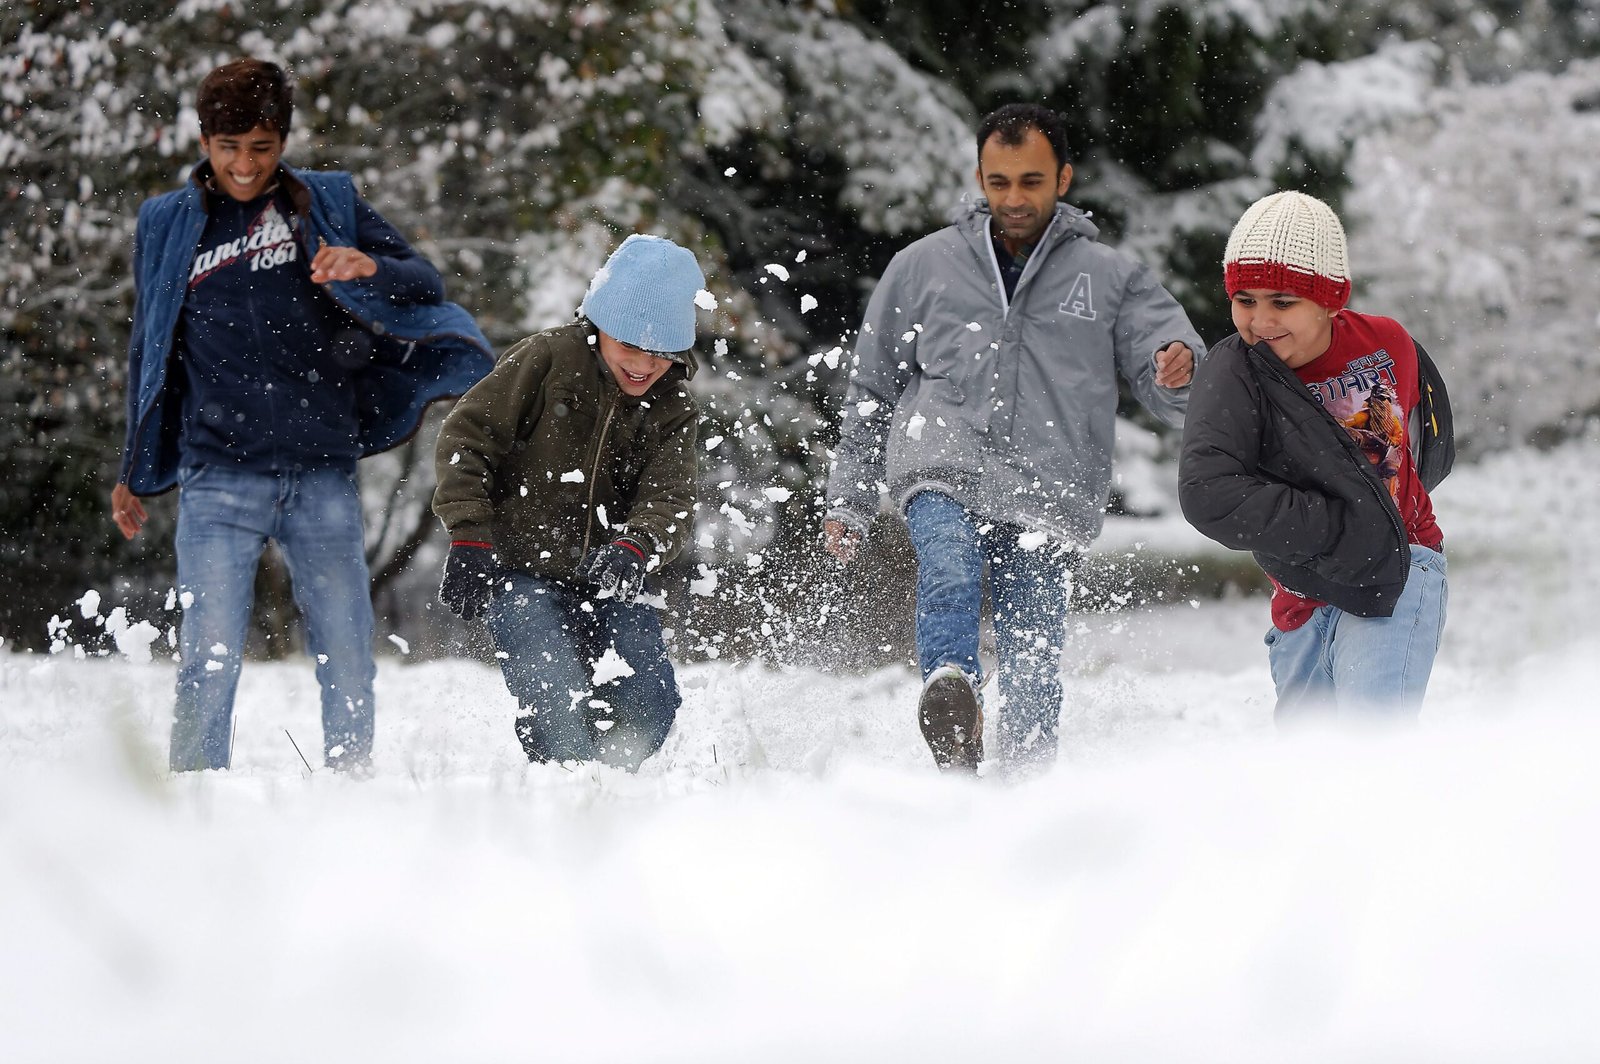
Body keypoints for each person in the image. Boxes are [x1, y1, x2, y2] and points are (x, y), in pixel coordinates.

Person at [112, 58, 492, 774]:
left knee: (348, 652)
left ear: (281, 139)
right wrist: (134, 467)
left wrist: (364, 265)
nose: (244, 164)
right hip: (217, 474)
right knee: (209, 655)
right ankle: (196, 797)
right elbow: (149, 343)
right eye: (227, 147)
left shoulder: (326, 201)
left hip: (320, 469)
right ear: (203, 140)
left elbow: (425, 282)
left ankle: (350, 788)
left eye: (261, 146)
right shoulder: (165, 222)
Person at [822, 103, 1204, 773]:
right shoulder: (923, 268)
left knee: (1033, 656)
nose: (1014, 198)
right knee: (949, 569)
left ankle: (1024, 795)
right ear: (980, 178)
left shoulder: (1109, 278)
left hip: (1050, 489)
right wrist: (849, 497)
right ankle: (951, 693)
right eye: (998, 183)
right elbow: (873, 388)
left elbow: (1169, 370)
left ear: (1064, 177)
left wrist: (1178, 366)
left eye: (1030, 181)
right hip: (943, 464)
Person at [431, 234, 706, 770]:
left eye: (662, 353)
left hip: (614, 576)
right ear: (600, 324)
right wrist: (468, 534)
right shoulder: (547, 359)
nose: (645, 365)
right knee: (555, 703)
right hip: (524, 574)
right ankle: (567, 796)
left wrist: (637, 543)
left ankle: (612, 794)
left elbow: (671, 494)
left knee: (650, 703)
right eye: (631, 345)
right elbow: (468, 438)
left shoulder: (672, 406)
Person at [1177, 191, 1454, 722]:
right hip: (1303, 593)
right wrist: (1338, 524)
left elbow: (1419, 440)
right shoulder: (1236, 373)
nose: (1260, 321)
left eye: (1283, 302)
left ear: (1331, 299)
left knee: (1371, 745)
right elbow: (1211, 490)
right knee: (1310, 779)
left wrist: (1385, 518)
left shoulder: (1388, 342)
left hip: (1401, 565)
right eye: (1245, 299)